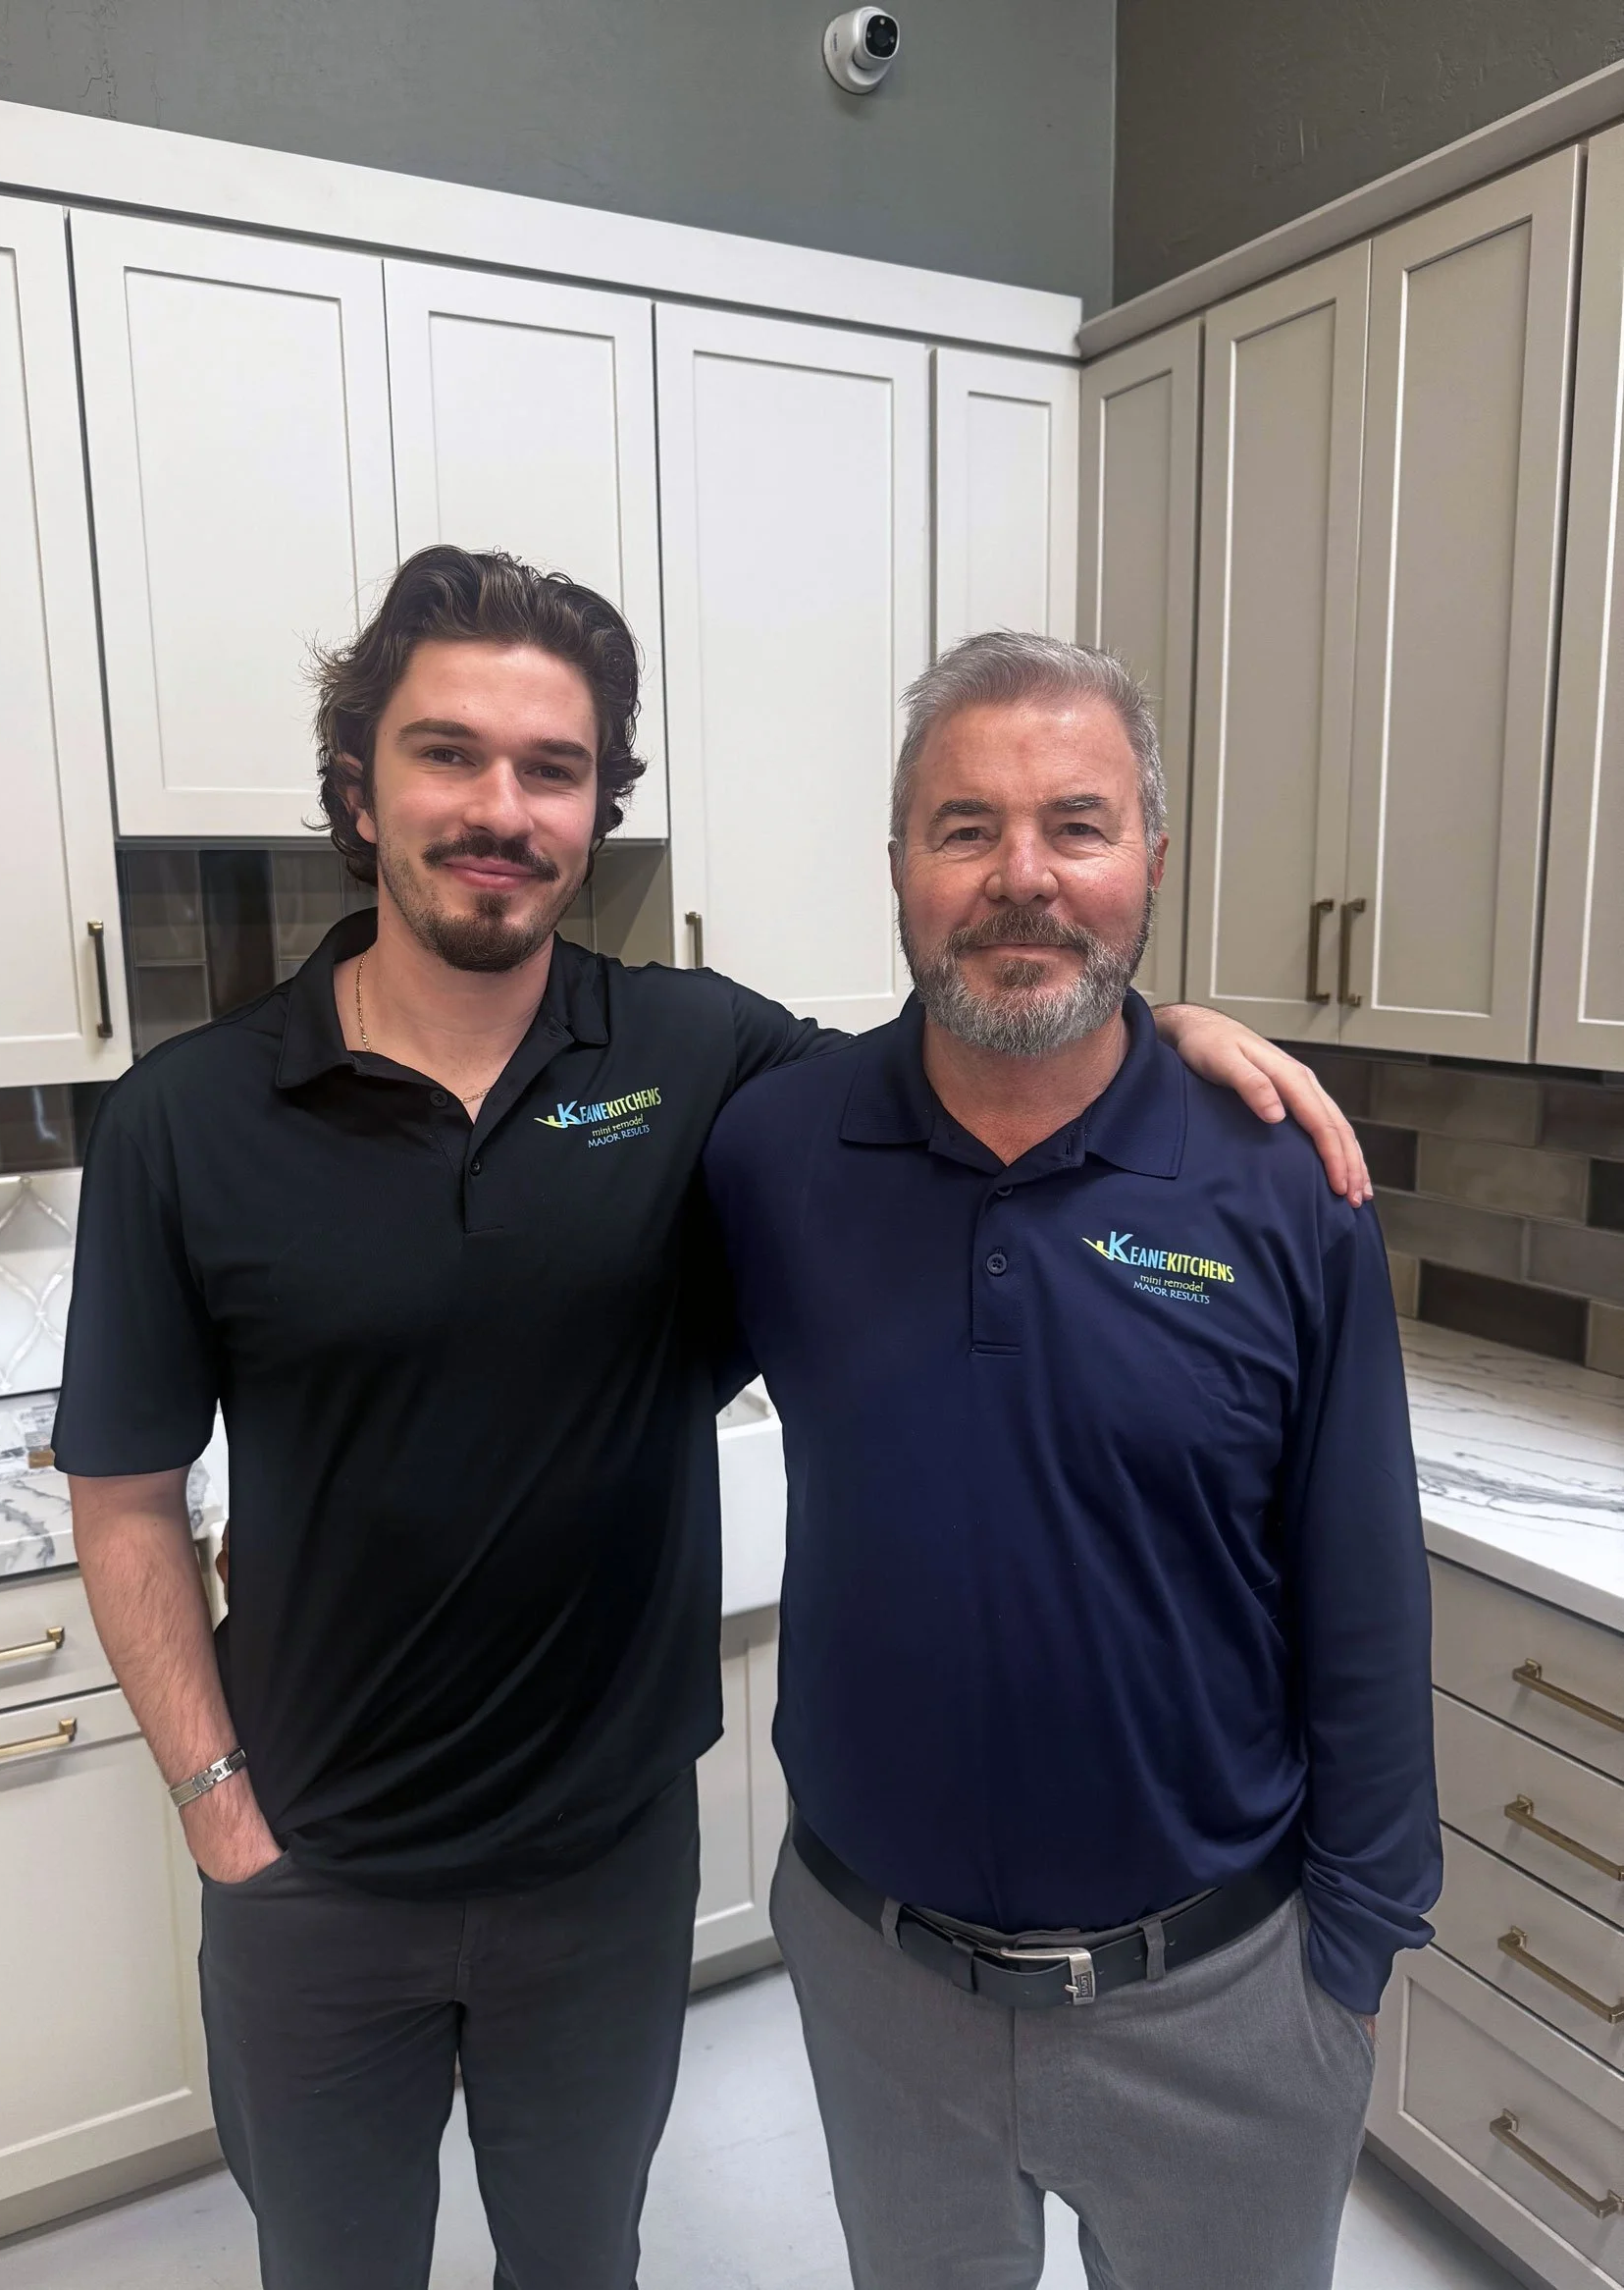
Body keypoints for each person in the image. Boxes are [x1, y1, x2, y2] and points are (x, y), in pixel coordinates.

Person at [53, 551, 1373, 2290]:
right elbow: (128, 1492)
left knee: (582, 2258)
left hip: (601, 1869)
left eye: (553, 767)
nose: (499, 809)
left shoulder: (697, 1061)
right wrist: (220, 1809)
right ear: (357, 787)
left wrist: (1163, 1030)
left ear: (600, 805)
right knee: (332, 2264)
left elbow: (978, 1055)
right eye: (448, 755)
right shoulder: (185, 1119)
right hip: (311, 1866)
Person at [703, 630, 1440, 2290]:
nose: (1020, 878)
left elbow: (1364, 1597)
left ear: (1150, 864)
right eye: (963, 828)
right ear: (896, 866)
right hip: (878, 1982)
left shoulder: (1274, 1183)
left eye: (1077, 827)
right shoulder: (773, 1151)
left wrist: (1353, 1966)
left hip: (1222, 1999)